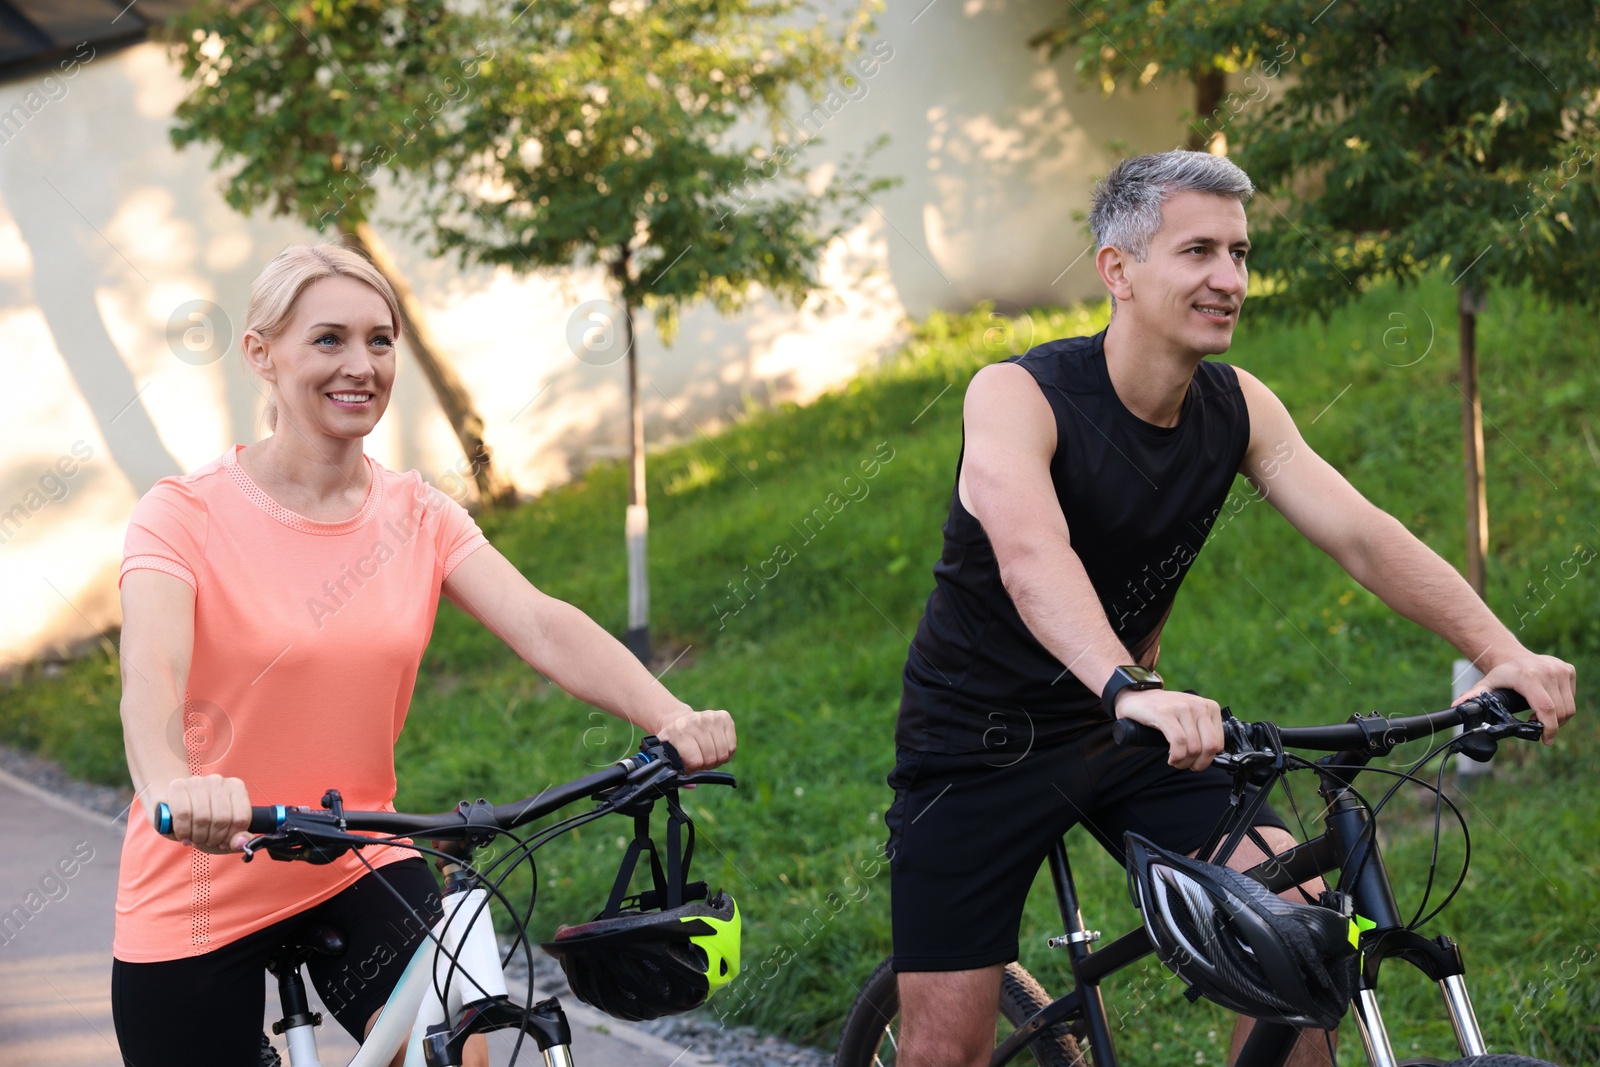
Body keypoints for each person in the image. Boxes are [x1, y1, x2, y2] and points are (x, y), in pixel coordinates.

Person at [885, 150, 1576, 1067]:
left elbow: (1361, 534)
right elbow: (1030, 558)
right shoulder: (1017, 396)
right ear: (1117, 270)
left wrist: (1501, 650)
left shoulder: (1237, 405)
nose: (1229, 278)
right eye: (1199, 250)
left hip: (1129, 734)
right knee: (947, 1050)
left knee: (1293, 933)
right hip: (977, 744)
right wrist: (1128, 682)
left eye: (1241, 253)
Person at [112, 244, 737, 1067]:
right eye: (328, 339)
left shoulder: (419, 513)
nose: (361, 364)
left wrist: (670, 714)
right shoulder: (182, 515)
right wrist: (172, 786)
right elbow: (149, 676)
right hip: (202, 872)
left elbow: (543, 624)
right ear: (261, 354)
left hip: (355, 855)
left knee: (463, 1048)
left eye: (381, 339)